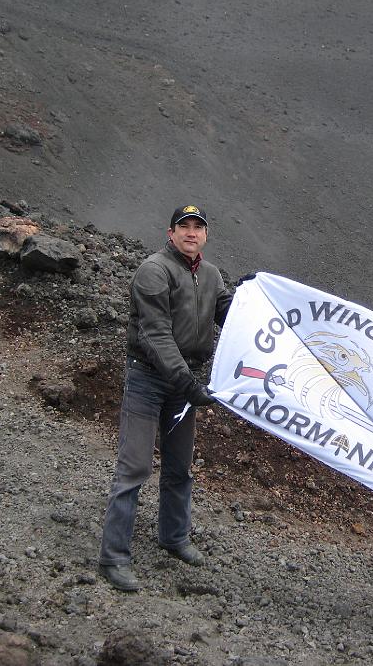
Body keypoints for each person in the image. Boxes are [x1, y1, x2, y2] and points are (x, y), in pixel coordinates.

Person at [98, 204, 232, 592]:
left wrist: (254, 296)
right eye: (184, 227)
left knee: (179, 466)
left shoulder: (210, 275)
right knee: (135, 466)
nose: (191, 233)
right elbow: (154, 335)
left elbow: (229, 312)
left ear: (206, 235)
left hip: (183, 381)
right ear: (170, 232)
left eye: (198, 227)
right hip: (149, 378)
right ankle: (114, 556)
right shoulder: (153, 270)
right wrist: (187, 383)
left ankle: (174, 537)